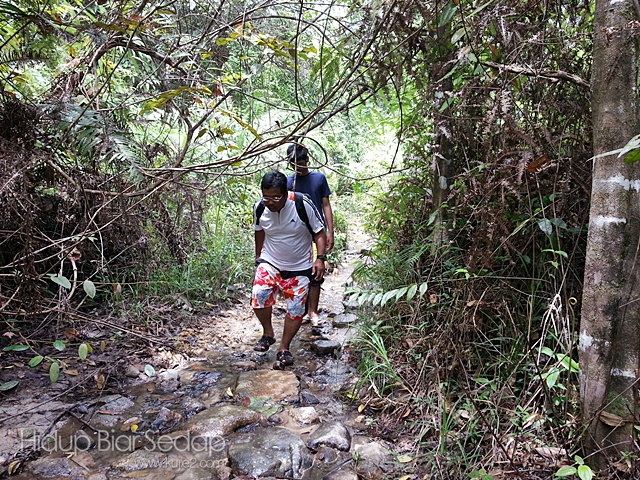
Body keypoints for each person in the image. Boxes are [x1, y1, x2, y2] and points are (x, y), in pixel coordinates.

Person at [251, 171, 328, 368]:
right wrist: (258, 257)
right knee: (259, 294)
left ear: (286, 193)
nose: (270, 202)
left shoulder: (302, 203)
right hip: (270, 261)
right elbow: (259, 232)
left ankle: (284, 347)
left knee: (295, 309)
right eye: (266, 197)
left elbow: (319, 232)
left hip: (299, 266)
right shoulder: (260, 207)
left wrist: (320, 258)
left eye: (276, 197)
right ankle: (268, 334)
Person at [286, 144, 334, 326]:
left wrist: (330, 232)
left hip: (317, 232)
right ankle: (299, 309)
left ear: (307, 159)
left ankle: (312, 311)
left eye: (300, 162)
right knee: (297, 272)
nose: (297, 167)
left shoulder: (318, 179)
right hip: (296, 234)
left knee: (316, 272)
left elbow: (326, 205)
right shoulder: (288, 182)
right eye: (294, 163)